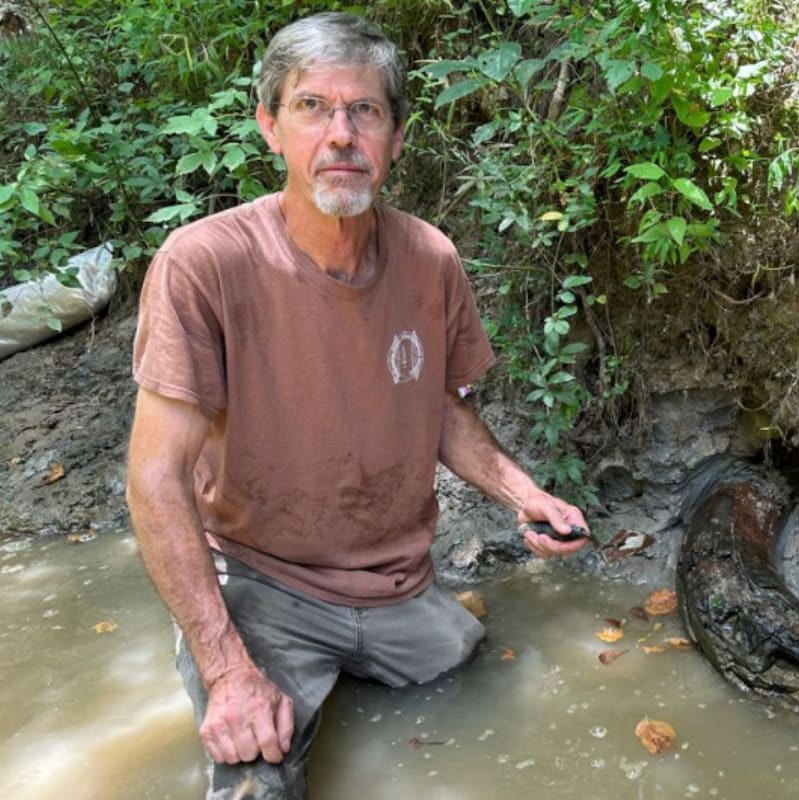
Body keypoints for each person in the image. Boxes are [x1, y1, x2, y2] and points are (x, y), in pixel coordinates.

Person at [124, 11, 589, 799]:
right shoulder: (204, 264)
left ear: (396, 138)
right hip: (263, 581)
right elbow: (156, 478)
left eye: (365, 110)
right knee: (256, 777)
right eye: (312, 107)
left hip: (397, 583)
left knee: (479, 680)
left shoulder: (429, 258)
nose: (340, 133)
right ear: (270, 127)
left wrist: (526, 494)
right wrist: (227, 665)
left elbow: (441, 411)